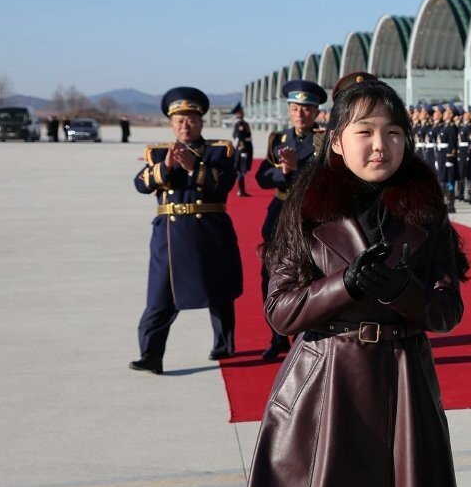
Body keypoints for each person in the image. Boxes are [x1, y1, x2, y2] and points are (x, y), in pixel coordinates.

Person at [236, 78, 470, 487]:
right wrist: (347, 284)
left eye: (393, 132)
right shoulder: (304, 207)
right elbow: (281, 311)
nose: (380, 145)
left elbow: (446, 312)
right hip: (325, 388)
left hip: (401, 389)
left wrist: (397, 289)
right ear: (337, 140)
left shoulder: (425, 211)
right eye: (364, 131)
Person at [129, 88, 242, 374]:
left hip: (208, 233)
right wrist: (166, 166)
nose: (185, 126)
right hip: (169, 235)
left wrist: (194, 167)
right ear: (171, 124)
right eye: (179, 120)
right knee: (159, 297)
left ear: (201, 122)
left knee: (219, 291)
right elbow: (141, 184)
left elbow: (224, 183)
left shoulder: (219, 150)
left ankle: (223, 343)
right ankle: (150, 354)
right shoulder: (157, 153)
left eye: (190, 119)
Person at [256, 79, 326, 361]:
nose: (300, 113)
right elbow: (262, 178)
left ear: (316, 112)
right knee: (271, 276)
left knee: (305, 275)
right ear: (289, 110)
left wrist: (297, 171)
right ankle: (276, 337)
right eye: (295, 108)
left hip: (308, 214)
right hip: (280, 212)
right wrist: (284, 172)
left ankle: (302, 335)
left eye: (306, 108)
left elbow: (324, 179)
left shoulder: (323, 141)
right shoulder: (278, 139)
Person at [230, 102, 253, 197]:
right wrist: (243, 150)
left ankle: (242, 190)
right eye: (241, 111)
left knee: (242, 171)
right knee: (241, 170)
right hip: (243, 149)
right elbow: (239, 137)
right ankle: (240, 191)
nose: (243, 112)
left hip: (245, 147)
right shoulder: (239, 123)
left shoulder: (243, 122)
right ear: (238, 112)